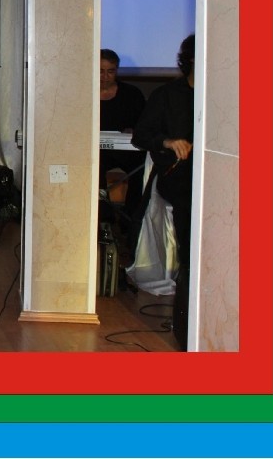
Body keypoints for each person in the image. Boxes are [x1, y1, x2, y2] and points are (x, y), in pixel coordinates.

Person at [132, 34, 195, 348]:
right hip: (181, 181)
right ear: (191, 60)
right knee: (191, 250)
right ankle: (187, 323)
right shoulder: (167, 95)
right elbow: (141, 136)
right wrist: (169, 142)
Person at [99, 48, 146, 241]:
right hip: (97, 151)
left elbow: (144, 123)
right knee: (92, 167)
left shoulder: (131, 94)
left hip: (126, 150)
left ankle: (131, 221)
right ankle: (104, 219)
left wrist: (134, 129)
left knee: (142, 168)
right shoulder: (83, 93)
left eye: (110, 71)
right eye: (100, 71)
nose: (105, 77)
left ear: (117, 71)